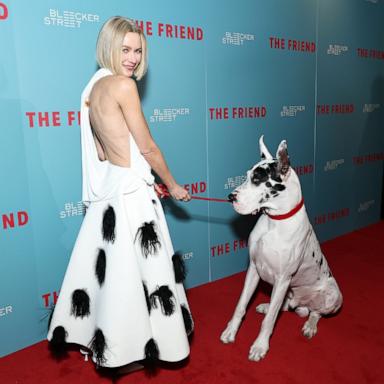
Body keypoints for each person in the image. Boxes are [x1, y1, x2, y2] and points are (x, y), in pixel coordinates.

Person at [47, 16, 193, 371]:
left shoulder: (92, 89)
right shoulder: (123, 87)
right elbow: (148, 149)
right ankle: (143, 346)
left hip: (111, 192)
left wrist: (137, 172)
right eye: (125, 49)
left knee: (115, 276)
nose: (132, 58)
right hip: (131, 197)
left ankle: (113, 344)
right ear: (109, 48)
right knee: (145, 274)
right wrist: (172, 184)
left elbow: (101, 152)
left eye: (138, 50)